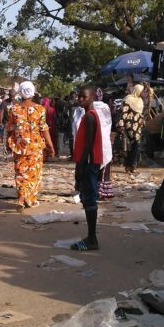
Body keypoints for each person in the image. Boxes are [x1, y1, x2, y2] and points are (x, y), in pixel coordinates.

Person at [69, 85, 109, 251]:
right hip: (89, 162)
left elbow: (88, 146)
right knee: (87, 198)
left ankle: (92, 239)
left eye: (84, 97)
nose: (80, 100)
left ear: (92, 97)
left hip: (88, 163)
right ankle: (91, 237)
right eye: (79, 97)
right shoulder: (88, 116)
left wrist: (79, 168)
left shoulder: (91, 117)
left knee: (90, 199)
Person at [6, 81, 55, 211]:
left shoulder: (14, 109)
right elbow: (44, 129)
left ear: (20, 93)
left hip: (19, 147)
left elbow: (10, 129)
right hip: (35, 147)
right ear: (33, 93)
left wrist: (7, 143)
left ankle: (24, 198)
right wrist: (50, 146)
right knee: (33, 174)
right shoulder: (40, 109)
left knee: (21, 173)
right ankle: (24, 199)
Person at [117, 83, 148, 174]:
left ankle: (130, 165)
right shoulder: (128, 99)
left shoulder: (140, 101)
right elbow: (124, 113)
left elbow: (141, 114)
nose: (143, 92)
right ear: (137, 90)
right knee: (136, 144)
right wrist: (121, 126)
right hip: (130, 126)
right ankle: (132, 165)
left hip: (138, 126)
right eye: (142, 91)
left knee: (134, 146)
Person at [96, 89, 116, 199]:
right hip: (105, 139)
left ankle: (95, 189)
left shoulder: (88, 107)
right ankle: (103, 191)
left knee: (95, 166)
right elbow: (109, 123)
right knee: (105, 165)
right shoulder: (105, 107)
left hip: (94, 141)